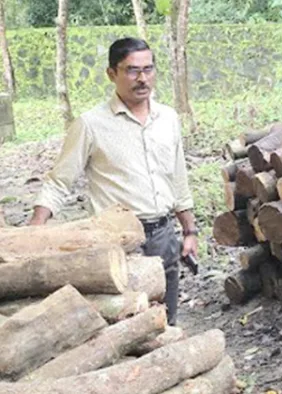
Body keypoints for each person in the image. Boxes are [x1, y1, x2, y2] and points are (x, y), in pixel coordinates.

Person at [29, 37, 198, 326]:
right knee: (126, 324)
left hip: (162, 235)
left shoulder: (168, 118)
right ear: (112, 74)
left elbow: (177, 176)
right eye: (132, 70)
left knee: (166, 323)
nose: (142, 78)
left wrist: (189, 230)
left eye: (148, 69)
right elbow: (59, 181)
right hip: (115, 241)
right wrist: (35, 230)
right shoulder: (91, 124)